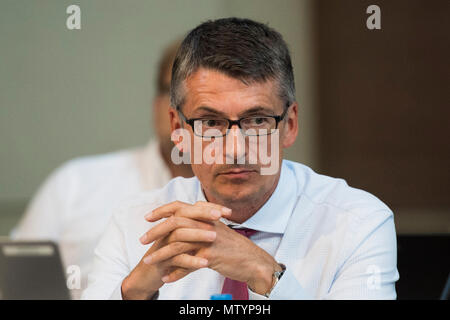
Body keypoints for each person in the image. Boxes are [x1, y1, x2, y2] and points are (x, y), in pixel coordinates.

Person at [82, 18, 399, 300]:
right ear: (179, 130)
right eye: (211, 123)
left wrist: (265, 273)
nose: (235, 148)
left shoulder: (358, 223)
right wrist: (134, 294)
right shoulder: (133, 225)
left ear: (289, 125)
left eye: (257, 120)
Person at [11, 41, 193, 299]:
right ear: (157, 105)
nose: (190, 113)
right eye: (178, 95)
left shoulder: (252, 198)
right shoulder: (74, 184)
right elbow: (19, 286)